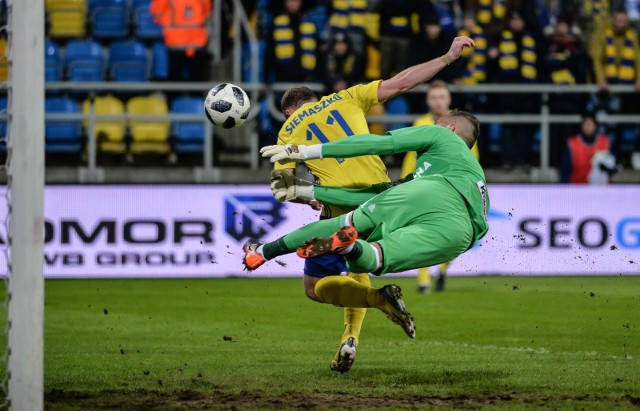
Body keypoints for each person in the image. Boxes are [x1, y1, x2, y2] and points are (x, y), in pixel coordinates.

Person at [264, 36, 475, 373]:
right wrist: (448, 58)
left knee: (314, 287)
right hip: (382, 195)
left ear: (290, 110)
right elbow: (403, 82)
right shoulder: (347, 96)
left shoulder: (288, 129)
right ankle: (350, 339)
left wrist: (307, 195)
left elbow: (282, 186)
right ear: (316, 99)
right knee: (361, 260)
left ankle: (374, 306)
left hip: (339, 203)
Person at [246, 109, 489, 344]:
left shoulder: (442, 135)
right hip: (461, 234)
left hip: (434, 191)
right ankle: (350, 247)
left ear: (451, 127)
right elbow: (369, 196)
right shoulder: (469, 172)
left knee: (343, 223)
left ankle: (262, 252)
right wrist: (305, 190)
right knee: (375, 257)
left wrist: (305, 152)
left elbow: (377, 144)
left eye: (437, 122)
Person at [400, 80, 479, 293]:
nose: (438, 102)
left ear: (449, 99)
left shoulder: (462, 124)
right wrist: (407, 179)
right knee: (423, 230)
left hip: (454, 187)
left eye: (441, 97)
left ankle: (443, 270)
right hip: (426, 185)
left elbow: (472, 157)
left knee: (456, 234)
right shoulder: (421, 123)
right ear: (428, 100)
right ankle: (424, 279)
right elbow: (412, 155)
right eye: (434, 97)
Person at [560, 113, 616, 184]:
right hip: (578, 188)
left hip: (600, 188)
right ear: (581, 126)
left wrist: (602, 164)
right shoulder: (572, 143)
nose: (588, 127)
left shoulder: (605, 142)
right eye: (585, 124)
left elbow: (613, 166)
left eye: (590, 124)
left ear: (595, 126)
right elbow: (565, 170)